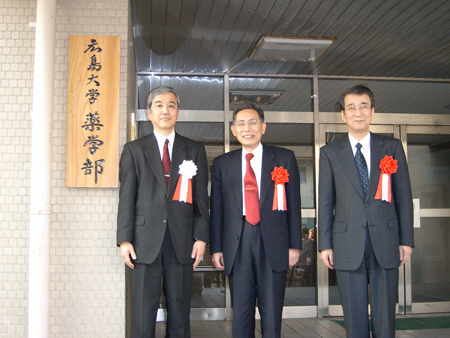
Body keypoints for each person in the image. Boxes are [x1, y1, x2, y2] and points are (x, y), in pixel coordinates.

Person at [318, 85, 414, 338]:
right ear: (343, 114)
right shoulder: (329, 152)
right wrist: (324, 244)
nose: (357, 112)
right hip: (346, 242)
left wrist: (406, 240)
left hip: (386, 239)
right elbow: (326, 201)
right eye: (351, 107)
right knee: (354, 316)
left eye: (363, 106)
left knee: (385, 318)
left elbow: (403, 196)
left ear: (372, 112)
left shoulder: (391, 147)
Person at [116, 86, 209, 337]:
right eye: (159, 105)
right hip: (143, 242)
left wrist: (200, 237)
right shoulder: (134, 150)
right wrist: (124, 240)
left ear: (178, 112)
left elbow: (201, 199)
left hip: (182, 241)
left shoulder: (194, 150)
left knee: (179, 311)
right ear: (149, 112)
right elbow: (127, 198)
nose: (165, 110)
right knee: (143, 313)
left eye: (171, 105)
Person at [210, 103, 302, 338]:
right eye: (241, 123)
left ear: (263, 126)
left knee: (271, 312)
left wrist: (294, 244)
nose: (247, 128)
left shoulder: (284, 157)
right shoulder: (222, 163)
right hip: (237, 242)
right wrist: (217, 247)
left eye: (253, 122)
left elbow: (293, 204)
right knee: (240, 312)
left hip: (273, 241)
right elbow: (217, 210)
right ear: (233, 129)